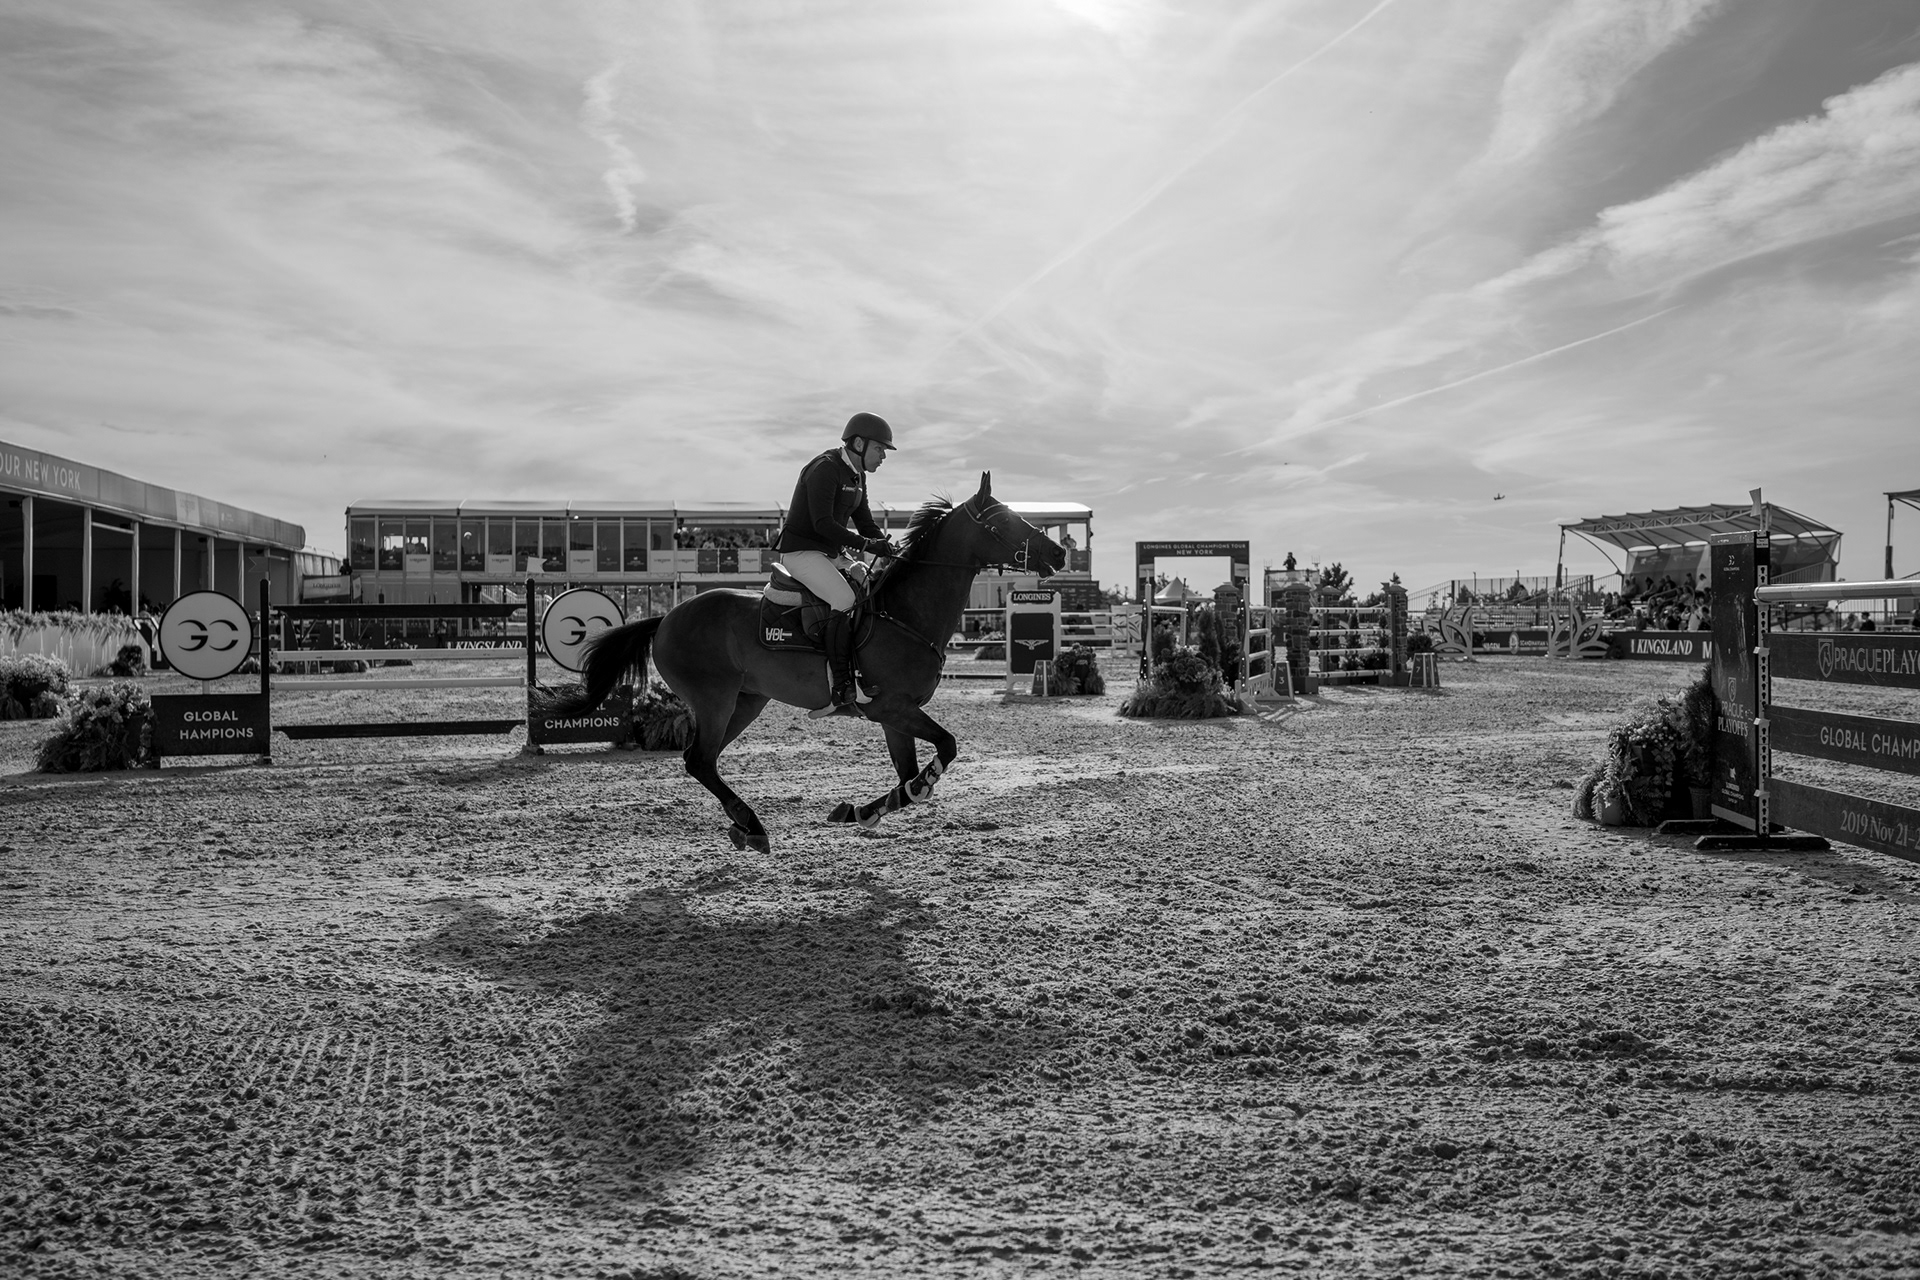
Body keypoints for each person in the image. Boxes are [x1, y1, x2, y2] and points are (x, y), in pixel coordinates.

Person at [776, 411, 899, 709]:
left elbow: (865, 522)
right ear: (858, 443)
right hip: (801, 553)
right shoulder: (825, 468)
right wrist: (866, 544)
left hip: (830, 554)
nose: (883, 456)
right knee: (844, 598)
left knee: (867, 586)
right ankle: (841, 685)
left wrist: (889, 547)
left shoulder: (858, 477)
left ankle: (862, 667)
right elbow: (822, 524)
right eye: (880, 448)